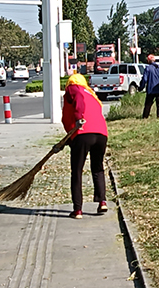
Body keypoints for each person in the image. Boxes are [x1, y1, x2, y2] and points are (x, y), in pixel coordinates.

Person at [61, 73, 109, 219]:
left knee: (77, 171)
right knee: (98, 168)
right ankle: (102, 201)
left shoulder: (74, 89)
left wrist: (79, 118)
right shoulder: (91, 93)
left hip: (83, 132)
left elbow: (77, 104)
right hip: (101, 133)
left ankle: (78, 210)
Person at [138, 54, 159, 119]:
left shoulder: (148, 68)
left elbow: (145, 79)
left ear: (148, 61)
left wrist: (140, 87)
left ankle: (145, 117)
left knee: (148, 105)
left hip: (151, 90)